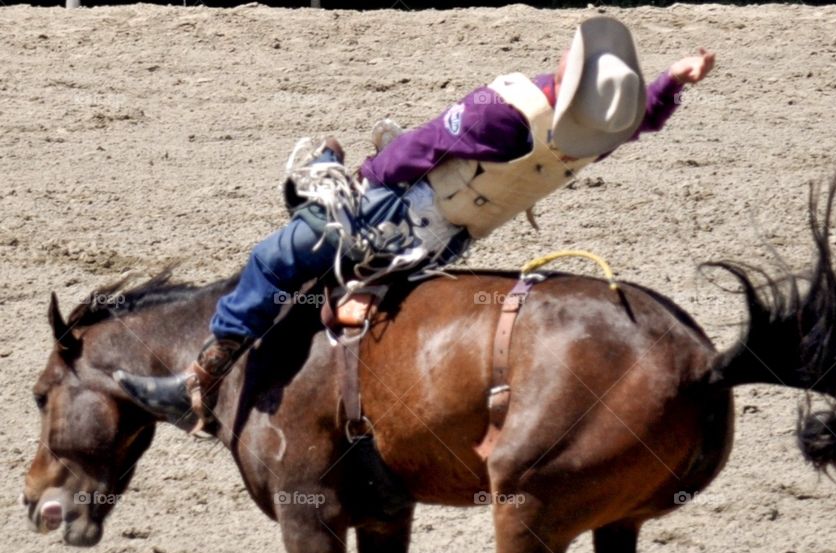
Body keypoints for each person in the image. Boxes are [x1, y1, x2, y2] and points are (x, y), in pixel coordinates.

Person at [116, 17, 716, 431]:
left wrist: (357, 176)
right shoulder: (598, 135)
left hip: (392, 219)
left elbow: (415, 152)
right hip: (451, 239)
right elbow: (640, 119)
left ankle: (198, 381)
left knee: (274, 258)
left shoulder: (503, 111)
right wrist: (670, 83)